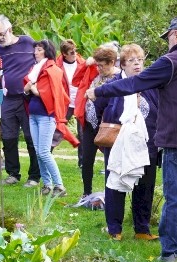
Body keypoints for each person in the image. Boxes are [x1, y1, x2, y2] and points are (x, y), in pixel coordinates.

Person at [87, 17, 177, 262]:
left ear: (176, 35)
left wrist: (99, 91)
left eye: (168, 39)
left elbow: (133, 83)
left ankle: (171, 253)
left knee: (175, 199)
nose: (167, 44)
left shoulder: (171, 62)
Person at [96, 44, 159, 241]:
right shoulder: (114, 84)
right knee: (115, 184)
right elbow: (96, 109)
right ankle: (115, 229)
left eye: (140, 60)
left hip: (146, 143)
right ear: (122, 64)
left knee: (145, 185)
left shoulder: (150, 85)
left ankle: (142, 229)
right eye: (132, 61)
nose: (137, 64)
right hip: (118, 143)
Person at [23, 39, 79, 197]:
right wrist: (28, 90)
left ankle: (59, 186)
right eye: (35, 49)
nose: (36, 52)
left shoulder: (52, 69)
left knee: (44, 152)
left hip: (46, 116)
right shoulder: (35, 69)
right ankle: (47, 185)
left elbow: (48, 94)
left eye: (39, 49)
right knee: (38, 151)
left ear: (47, 52)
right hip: (33, 115)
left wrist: (31, 88)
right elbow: (27, 92)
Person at [0, 15, 41, 187]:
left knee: (31, 137)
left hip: (27, 98)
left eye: (1, 34)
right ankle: (13, 174)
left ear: (10, 30)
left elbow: (40, 62)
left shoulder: (27, 42)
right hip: (7, 99)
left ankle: (34, 176)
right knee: (8, 137)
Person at [78, 45, 121, 199]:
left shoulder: (119, 78)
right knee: (87, 158)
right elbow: (77, 78)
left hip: (108, 125)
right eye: (97, 65)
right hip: (90, 124)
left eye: (101, 65)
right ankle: (86, 192)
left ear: (112, 63)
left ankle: (110, 195)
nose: (99, 68)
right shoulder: (96, 76)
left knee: (110, 161)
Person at [53, 39, 84, 166]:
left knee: (83, 133)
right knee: (58, 129)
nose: (74, 54)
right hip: (65, 102)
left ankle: (82, 162)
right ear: (64, 54)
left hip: (80, 101)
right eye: (71, 52)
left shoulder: (82, 63)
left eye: (75, 51)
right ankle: (47, 154)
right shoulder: (56, 65)